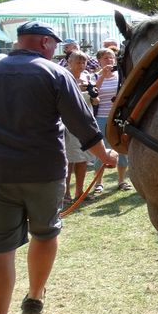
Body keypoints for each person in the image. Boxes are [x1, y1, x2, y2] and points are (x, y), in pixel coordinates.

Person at [0, 21, 118, 314]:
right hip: (44, 172)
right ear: (43, 43)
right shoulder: (55, 74)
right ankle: (35, 297)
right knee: (45, 234)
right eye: (52, 44)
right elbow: (83, 125)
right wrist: (105, 157)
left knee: (0, 249)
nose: (55, 49)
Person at [92, 48, 131, 193]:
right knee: (100, 149)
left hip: (118, 118)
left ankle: (121, 180)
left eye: (111, 58)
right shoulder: (94, 76)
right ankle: (98, 183)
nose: (109, 61)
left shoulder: (120, 76)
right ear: (99, 61)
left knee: (122, 150)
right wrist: (102, 76)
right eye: (105, 58)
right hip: (101, 118)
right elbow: (93, 94)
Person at [62, 50, 98, 203]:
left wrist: (93, 93)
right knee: (69, 160)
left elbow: (96, 102)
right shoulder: (63, 77)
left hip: (85, 122)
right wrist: (77, 89)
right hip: (69, 124)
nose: (81, 65)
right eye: (78, 61)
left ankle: (80, 192)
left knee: (82, 159)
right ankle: (65, 194)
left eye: (83, 62)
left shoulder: (87, 77)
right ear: (69, 62)